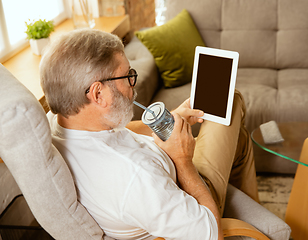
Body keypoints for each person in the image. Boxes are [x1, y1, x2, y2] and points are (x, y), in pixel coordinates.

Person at [40, 28, 259, 240]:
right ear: (98, 93)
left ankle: (252, 207)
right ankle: (246, 221)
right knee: (231, 101)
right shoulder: (136, 178)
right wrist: (182, 160)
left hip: (161, 175)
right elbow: (211, 235)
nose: (132, 87)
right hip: (188, 193)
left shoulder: (58, 121)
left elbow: (113, 134)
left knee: (239, 140)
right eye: (127, 76)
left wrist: (169, 119)